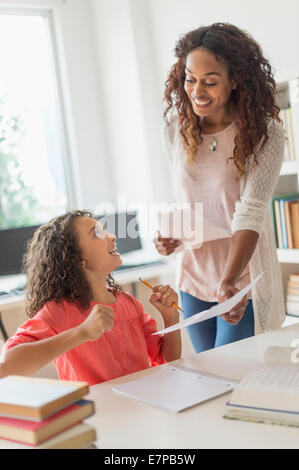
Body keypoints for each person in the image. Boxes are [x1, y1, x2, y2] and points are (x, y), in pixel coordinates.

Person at [154, 23, 285, 353]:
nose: (197, 90)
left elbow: (251, 210)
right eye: (190, 78)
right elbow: (186, 200)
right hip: (193, 279)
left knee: (234, 378)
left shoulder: (264, 133)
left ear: (236, 80)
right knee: (206, 379)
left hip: (242, 281)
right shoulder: (174, 130)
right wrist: (171, 237)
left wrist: (228, 282)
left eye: (210, 82)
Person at [0, 210, 181, 385]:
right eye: (97, 234)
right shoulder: (59, 311)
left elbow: (167, 360)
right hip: (97, 414)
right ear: (77, 260)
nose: (112, 237)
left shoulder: (128, 302)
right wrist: (82, 332)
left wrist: (170, 317)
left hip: (142, 407)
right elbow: (7, 368)